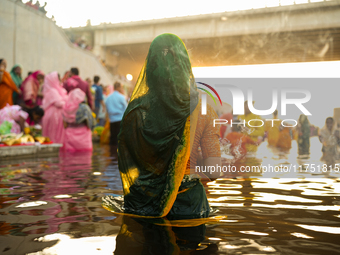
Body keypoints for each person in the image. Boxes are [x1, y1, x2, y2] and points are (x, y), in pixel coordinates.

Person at [102, 33, 221, 219]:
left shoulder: (136, 110)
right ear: (184, 66)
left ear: (150, 67)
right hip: (188, 206)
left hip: (141, 205)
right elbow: (214, 172)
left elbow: (127, 168)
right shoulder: (203, 109)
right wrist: (182, 170)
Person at [41, 71, 68, 144]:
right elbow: (59, 103)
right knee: (54, 135)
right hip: (53, 117)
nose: (59, 81)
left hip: (55, 116)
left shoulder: (54, 90)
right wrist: (67, 102)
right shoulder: (52, 91)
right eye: (58, 79)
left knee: (54, 134)